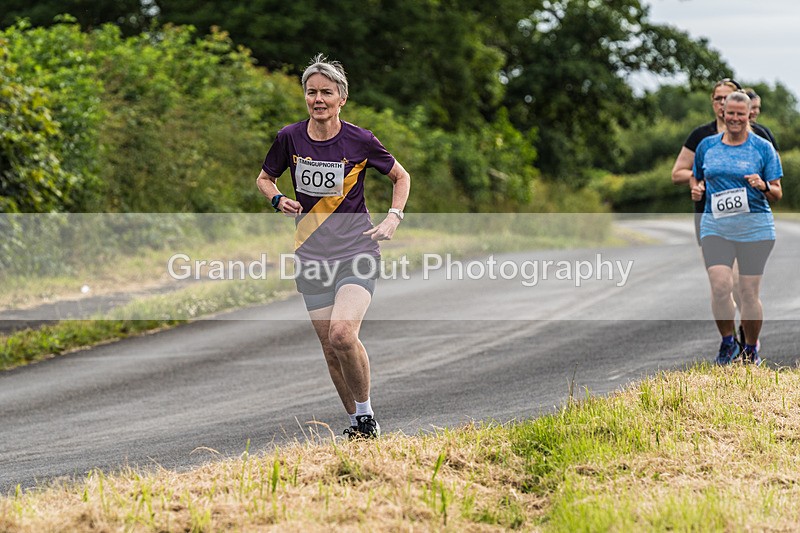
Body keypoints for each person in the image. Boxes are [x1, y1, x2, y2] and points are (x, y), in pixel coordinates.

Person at [256, 54, 411, 438]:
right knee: (329, 347)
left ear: (342, 98)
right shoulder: (289, 137)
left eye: (326, 92)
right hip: (311, 255)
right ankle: (359, 426)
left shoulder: (359, 139)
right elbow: (264, 178)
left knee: (343, 333)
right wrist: (277, 198)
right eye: (312, 92)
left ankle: (366, 413)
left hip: (356, 251)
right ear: (305, 97)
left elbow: (400, 176)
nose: (318, 99)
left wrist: (393, 217)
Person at [671, 78, 779, 347]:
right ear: (715, 104)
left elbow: (775, 184)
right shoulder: (703, 140)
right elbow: (682, 173)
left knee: (745, 289)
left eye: (728, 99)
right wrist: (698, 185)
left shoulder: (761, 139)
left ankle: (750, 341)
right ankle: (728, 341)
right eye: (719, 100)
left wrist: (762, 185)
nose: (724, 107)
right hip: (713, 221)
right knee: (722, 285)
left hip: (752, 223)